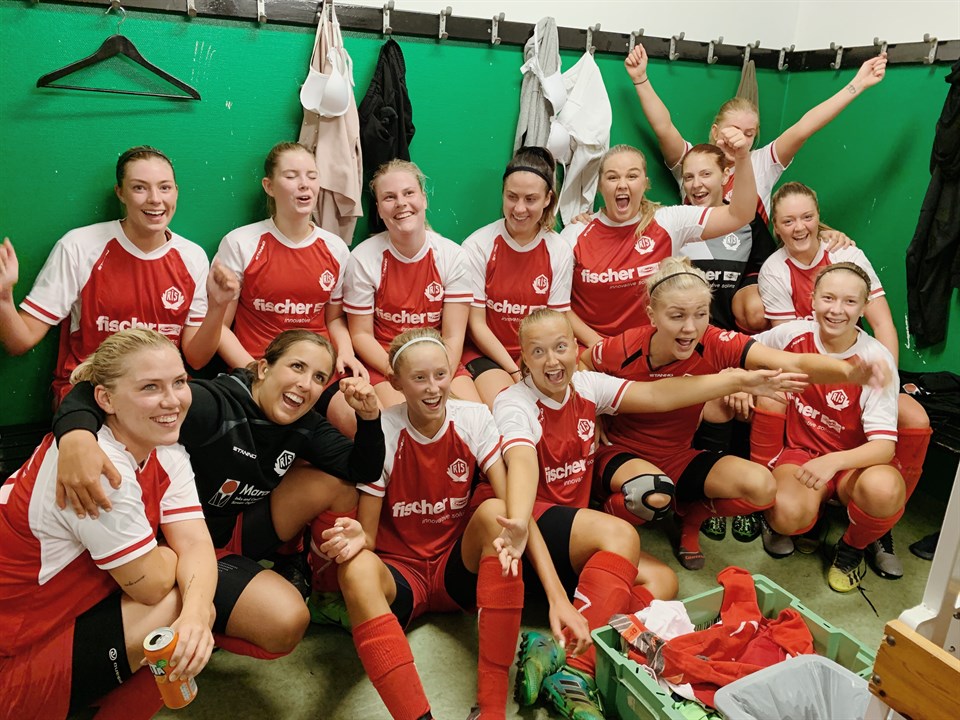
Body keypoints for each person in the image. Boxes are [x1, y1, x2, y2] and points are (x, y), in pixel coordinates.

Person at [492, 308, 807, 720]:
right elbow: (521, 460)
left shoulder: (586, 385)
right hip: (526, 536)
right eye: (538, 351)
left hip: (574, 537)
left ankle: (556, 644)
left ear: (575, 348)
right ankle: (577, 670)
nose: (552, 360)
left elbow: (660, 395)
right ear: (523, 358)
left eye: (561, 347)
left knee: (663, 582)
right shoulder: (513, 403)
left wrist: (740, 380)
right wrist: (519, 520)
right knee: (621, 536)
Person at [52, 329, 384, 660]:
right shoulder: (214, 404)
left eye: (319, 377)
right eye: (297, 367)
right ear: (264, 368)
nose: (305, 384)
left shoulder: (306, 423)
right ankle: (191, 619)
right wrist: (75, 436)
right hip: (175, 546)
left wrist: (369, 418)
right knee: (280, 618)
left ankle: (317, 584)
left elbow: (363, 469)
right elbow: (89, 389)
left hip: (231, 532)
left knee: (336, 486)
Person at [582, 258, 889, 573]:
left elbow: (792, 363)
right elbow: (582, 368)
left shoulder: (714, 341)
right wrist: (593, 417)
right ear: (652, 315)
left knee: (762, 486)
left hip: (676, 455)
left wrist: (848, 372)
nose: (690, 328)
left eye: (701, 314)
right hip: (620, 451)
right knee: (652, 493)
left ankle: (692, 518)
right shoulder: (625, 346)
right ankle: (603, 525)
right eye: (677, 316)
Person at [0, 328, 217, 720]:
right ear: (105, 399)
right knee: (172, 604)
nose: (172, 400)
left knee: (194, 605)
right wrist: (172, 560)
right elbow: (153, 585)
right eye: (150, 387)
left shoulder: (162, 446)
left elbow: (198, 545)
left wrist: (199, 614)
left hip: (58, 617)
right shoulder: (97, 467)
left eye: (180, 382)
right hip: (11, 655)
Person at [320, 328, 526, 720]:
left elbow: (510, 508)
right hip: (403, 574)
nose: (433, 388)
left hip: (453, 566)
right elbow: (367, 535)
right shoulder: (382, 429)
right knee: (356, 567)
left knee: (499, 515)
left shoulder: (473, 417)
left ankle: (492, 707)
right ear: (395, 383)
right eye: (419, 378)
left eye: (440, 375)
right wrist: (354, 536)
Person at [625, 43, 887, 331]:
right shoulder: (696, 162)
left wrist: (857, 85)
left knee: (756, 313)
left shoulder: (761, 162)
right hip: (697, 263)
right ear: (715, 130)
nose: (741, 138)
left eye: (749, 133)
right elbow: (663, 127)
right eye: (734, 130)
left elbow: (804, 127)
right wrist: (640, 79)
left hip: (744, 267)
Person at [756, 182, 931, 578]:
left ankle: (866, 534)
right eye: (788, 220)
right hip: (810, 391)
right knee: (788, 509)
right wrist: (739, 382)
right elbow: (757, 351)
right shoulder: (781, 291)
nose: (799, 227)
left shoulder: (846, 254)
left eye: (807, 217)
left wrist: (886, 377)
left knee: (907, 435)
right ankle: (795, 507)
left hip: (853, 431)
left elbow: (883, 324)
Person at [0, 146, 238, 404]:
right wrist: (3, 298)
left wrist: (218, 306)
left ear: (176, 192)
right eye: (139, 187)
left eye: (165, 187)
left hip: (163, 397)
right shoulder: (79, 246)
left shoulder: (192, 256)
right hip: (90, 392)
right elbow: (19, 341)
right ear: (120, 193)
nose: (155, 199)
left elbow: (197, 358)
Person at [755, 263, 903, 592]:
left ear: (863, 308)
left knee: (885, 489)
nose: (836, 310)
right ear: (813, 299)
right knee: (787, 515)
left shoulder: (876, 360)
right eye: (828, 298)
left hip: (852, 462)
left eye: (850, 302)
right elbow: (740, 351)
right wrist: (737, 382)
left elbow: (884, 447)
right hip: (802, 453)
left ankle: (852, 546)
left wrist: (833, 461)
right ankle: (811, 514)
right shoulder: (791, 334)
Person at [562, 131, 756, 349]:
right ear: (600, 185)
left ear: (645, 183)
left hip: (651, 351)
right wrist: (602, 348)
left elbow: (740, 215)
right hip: (592, 350)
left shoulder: (668, 221)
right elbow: (558, 306)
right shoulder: (575, 234)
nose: (622, 185)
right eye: (613, 177)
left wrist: (742, 157)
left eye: (632, 176)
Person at [214, 142, 362, 378]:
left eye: (312, 176)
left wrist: (346, 352)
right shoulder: (240, 243)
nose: (304, 184)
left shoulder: (336, 248)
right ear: (269, 186)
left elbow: (334, 318)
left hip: (318, 371)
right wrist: (256, 372)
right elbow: (219, 327)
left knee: (353, 403)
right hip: (257, 369)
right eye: (291, 176)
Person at [344, 159, 481, 407]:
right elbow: (361, 334)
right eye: (389, 197)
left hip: (439, 361)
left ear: (424, 199)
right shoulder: (363, 259)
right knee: (404, 421)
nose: (401, 203)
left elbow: (452, 336)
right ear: (379, 209)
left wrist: (438, 378)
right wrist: (398, 374)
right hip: (386, 362)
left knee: (475, 417)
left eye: (409, 193)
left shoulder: (453, 256)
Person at [461, 146, 573, 408]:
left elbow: (556, 324)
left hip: (539, 355)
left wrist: (540, 365)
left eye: (530, 199)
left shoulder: (558, 250)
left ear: (547, 199)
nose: (519, 208)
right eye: (512, 197)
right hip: (487, 355)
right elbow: (476, 326)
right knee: (509, 407)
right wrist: (515, 371)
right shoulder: (477, 246)